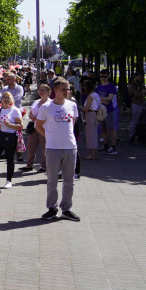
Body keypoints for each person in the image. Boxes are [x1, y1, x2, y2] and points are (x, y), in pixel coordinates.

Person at [36, 77, 82, 222]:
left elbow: (72, 123)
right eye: (64, 89)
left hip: (70, 147)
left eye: (68, 89)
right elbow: (38, 125)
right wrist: (49, 136)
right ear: (55, 91)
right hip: (53, 148)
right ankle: (52, 208)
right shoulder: (46, 107)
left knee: (69, 181)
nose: (67, 92)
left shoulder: (72, 105)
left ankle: (66, 209)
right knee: (52, 181)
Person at [24, 83, 50, 172]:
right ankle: (29, 164)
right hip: (34, 127)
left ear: (48, 92)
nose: (41, 92)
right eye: (40, 90)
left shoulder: (50, 103)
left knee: (44, 148)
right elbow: (31, 112)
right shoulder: (36, 101)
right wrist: (31, 116)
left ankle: (44, 166)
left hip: (44, 128)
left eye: (43, 90)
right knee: (31, 146)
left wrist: (39, 119)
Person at [95, 70, 119, 154]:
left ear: (108, 76)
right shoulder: (98, 87)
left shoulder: (111, 87)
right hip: (100, 111)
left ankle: (113, 147)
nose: (103, 78)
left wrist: (100, 100)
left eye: (104, 76)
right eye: (101, 76)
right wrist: (102, 100)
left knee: (111, 129)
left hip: (109, 111)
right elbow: (95, 98)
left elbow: (109, 99)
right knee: (103, 129)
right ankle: (105, 145)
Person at [81, 79, 101, 161]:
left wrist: (81, 108)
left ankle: (92, 154)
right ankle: (93, 153)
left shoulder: (90, 96)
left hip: (90, 115)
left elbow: (86, 108)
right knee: (93, 134)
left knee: (90, 135)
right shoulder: (96, 95)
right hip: (95, 115)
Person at [126, 73, 146, 143]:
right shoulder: (131, 86)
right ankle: (132, 135)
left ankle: (138, 135)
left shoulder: (140, 85)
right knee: (135, 120)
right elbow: (137, 94)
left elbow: (144, 93)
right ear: (135, 77)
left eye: (141, 77)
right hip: (135, 104)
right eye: (139, 77)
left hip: (141, 104)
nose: (141, 79)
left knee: (140, 120)